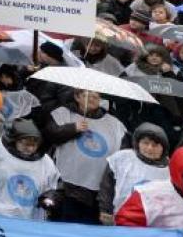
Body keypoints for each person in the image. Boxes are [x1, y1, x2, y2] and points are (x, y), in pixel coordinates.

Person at [42, 89, 128, 224]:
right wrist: (72, 128)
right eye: (87, 96)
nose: (92, 99)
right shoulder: (63, 113)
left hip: (98, 191)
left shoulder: (115, 123)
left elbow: (123, 155)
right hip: (67, 187)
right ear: (77, 96)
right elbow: (50, 134)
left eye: (96, 96)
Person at [0, 120, 60, 220]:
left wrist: (49, 197)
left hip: (28, 221)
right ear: (14, 140)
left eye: (34, 145)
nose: (30, 149)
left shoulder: (46, 162)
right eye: (25, 144)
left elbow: (56, 185)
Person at [99, 122, 169, 224]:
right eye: (145, 143)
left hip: (153, 223)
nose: (150, 148)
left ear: (163, 148)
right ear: (138, 143)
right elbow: (107, 186)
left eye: (155, 145)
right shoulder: (122, 158)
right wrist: (105, 210)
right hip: (119, 218)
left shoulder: (169, 169)